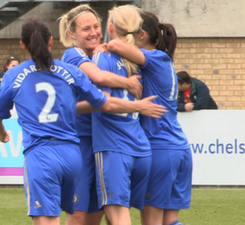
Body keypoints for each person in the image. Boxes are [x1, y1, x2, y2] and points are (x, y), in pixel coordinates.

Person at [0, 16, 165, 225]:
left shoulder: (14, 75)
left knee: (50, 218)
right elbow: (102, 101)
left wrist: (1, 133)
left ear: (22, 44)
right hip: (73, 156)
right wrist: (135, 100)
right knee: (95, 214)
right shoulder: (71, 70)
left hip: (41, 154)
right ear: (51, 41)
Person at [58, 4, 143, 225]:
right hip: (79, 144)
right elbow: (99, 79)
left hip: (102, 145)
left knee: (97, 215)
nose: (94, 32)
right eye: (86, 29)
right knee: (77, 215)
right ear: (71, 33)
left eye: (96, 26)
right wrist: (127, 84)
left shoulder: (103, 54)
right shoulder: (72, 54)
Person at [106, 10, 193, 225]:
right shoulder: (163, 62)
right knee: (169, 221)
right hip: (177, 147)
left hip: (160, 148)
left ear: (142, 34)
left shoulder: (155, 58)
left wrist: (108, 45)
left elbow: (116, 46)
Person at [90, 5, 154, 225]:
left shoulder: (103, 58)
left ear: (110, 27)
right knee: (116, 216)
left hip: (114, 147)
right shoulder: (142, 60)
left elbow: (103, 102)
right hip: (141, 149)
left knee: (118, 217)